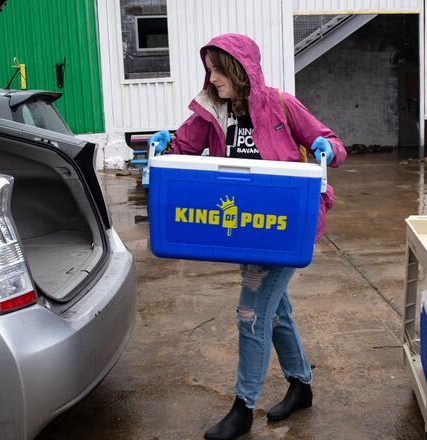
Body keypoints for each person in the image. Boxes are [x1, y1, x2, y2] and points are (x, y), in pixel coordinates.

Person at [147, 33, 346, 440]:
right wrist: (164, 143)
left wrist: (326, 148)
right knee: (276, 309)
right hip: (241, 228)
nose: (212, 77)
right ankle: (301, 384)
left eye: (219, 69)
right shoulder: (212, 111)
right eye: (209, 69)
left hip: (284, 227)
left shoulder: (280, 104)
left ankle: (243, 406)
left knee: (251, 312)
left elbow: (334, 146)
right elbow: (182, 148)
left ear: (239, 69)